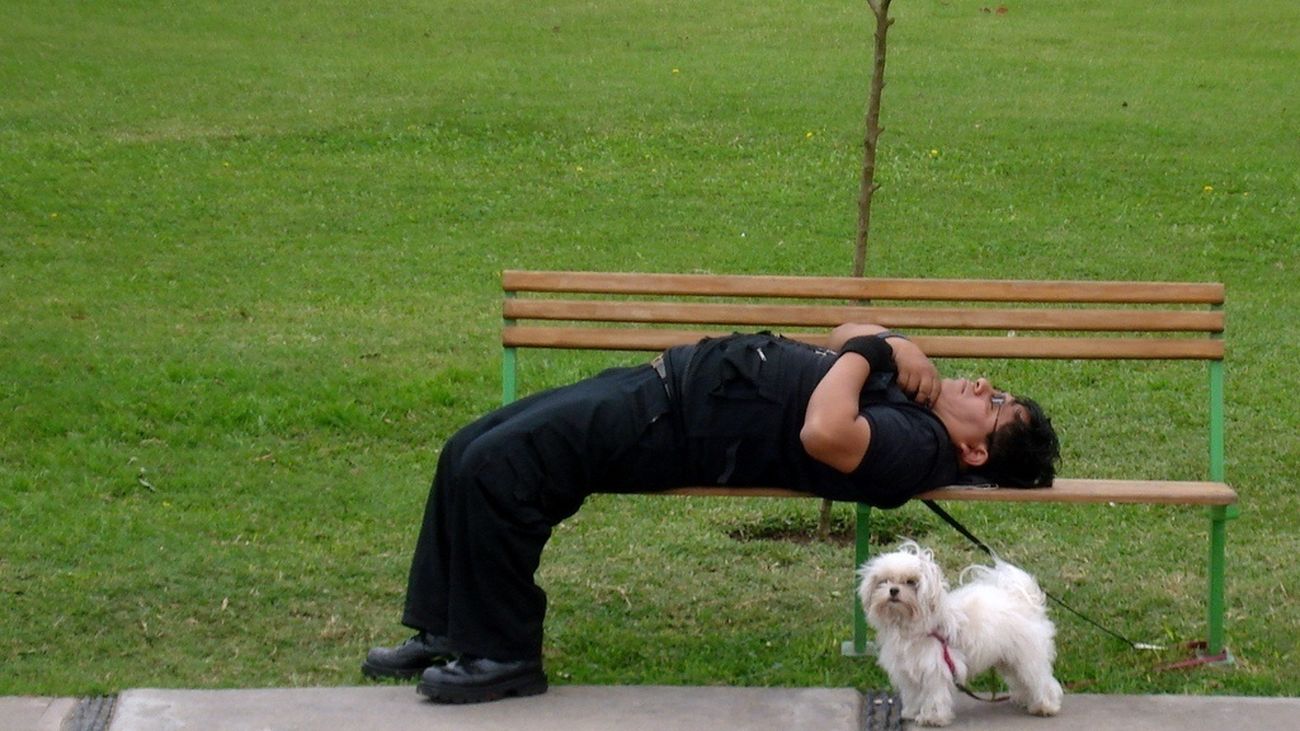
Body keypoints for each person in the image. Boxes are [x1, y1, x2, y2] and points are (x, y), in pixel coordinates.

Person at [361, 324, 1059, 703]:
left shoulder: (918, 447)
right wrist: (895, 347)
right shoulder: (921, 399)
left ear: (974, 452)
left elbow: (824, 431)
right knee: (468, 447)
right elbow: (850, 332)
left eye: (997, 405)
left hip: (676, 425)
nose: (984, 385)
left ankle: (504, 654)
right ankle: (447, 626)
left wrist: (875, 352)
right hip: (667, 386)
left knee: (502, 468)